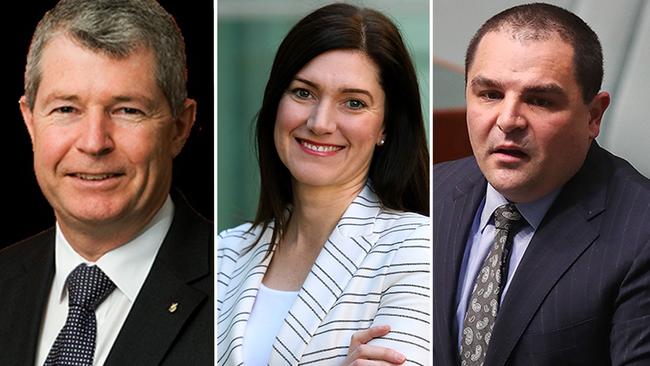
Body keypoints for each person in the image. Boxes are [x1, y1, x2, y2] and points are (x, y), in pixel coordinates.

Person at [432, 3, 650, 366]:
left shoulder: (640, 234)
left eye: (539, 100)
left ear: (593, 115)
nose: (508, 120)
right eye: (490, 94)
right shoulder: (433, 192)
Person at [0, 0, 212, 364]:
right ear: (30, 122)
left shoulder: (237, 289)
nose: (94, 142)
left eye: (127, 110)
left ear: (180, 127)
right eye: (66, 109)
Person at [217, 3, 430, 365]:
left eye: (353, 102)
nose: (320, 122)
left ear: (385, 127)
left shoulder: (416, 250)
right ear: (275, 103)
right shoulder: (224, 254)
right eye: (303, 93)